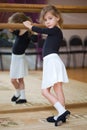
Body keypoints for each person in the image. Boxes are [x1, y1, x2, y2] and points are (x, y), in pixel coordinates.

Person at [23, 5, 70, 126]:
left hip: (52, 62)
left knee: (45, 91)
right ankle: (61, 115)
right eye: (45, 20)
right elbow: (39, 38)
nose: (47, 22)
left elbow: (42, 30)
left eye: (50, 18)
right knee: (57, 88)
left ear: (57, 18)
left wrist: (31, 26)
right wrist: (32, 31)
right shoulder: (53, 33)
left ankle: (62, 111)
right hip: (53, 62)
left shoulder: (56, 30)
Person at [8, 12, 32, 104]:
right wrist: (10, 28)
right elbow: (11, 30)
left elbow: (35, 39)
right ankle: (18, 93)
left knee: (20, 79)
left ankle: (23, 97)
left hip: (20, 58)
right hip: (14, 58)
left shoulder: (28, 33)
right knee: (13, 80)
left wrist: (32, 28)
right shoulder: (18, 31)